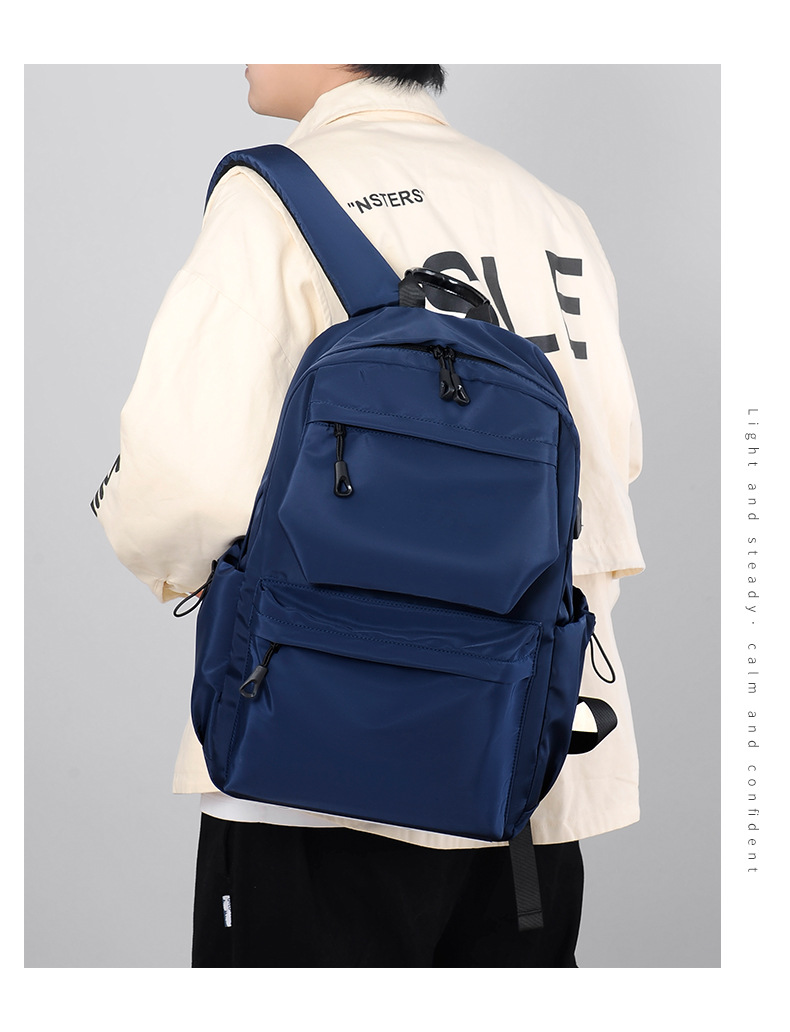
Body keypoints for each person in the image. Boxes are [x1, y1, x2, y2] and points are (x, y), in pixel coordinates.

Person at [93, 64, 644, 967]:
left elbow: (181, 484)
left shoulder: (273, 198)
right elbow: (608, 458)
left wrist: (156, 547)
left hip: (317, 760)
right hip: (523, 761)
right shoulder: (550, 211)